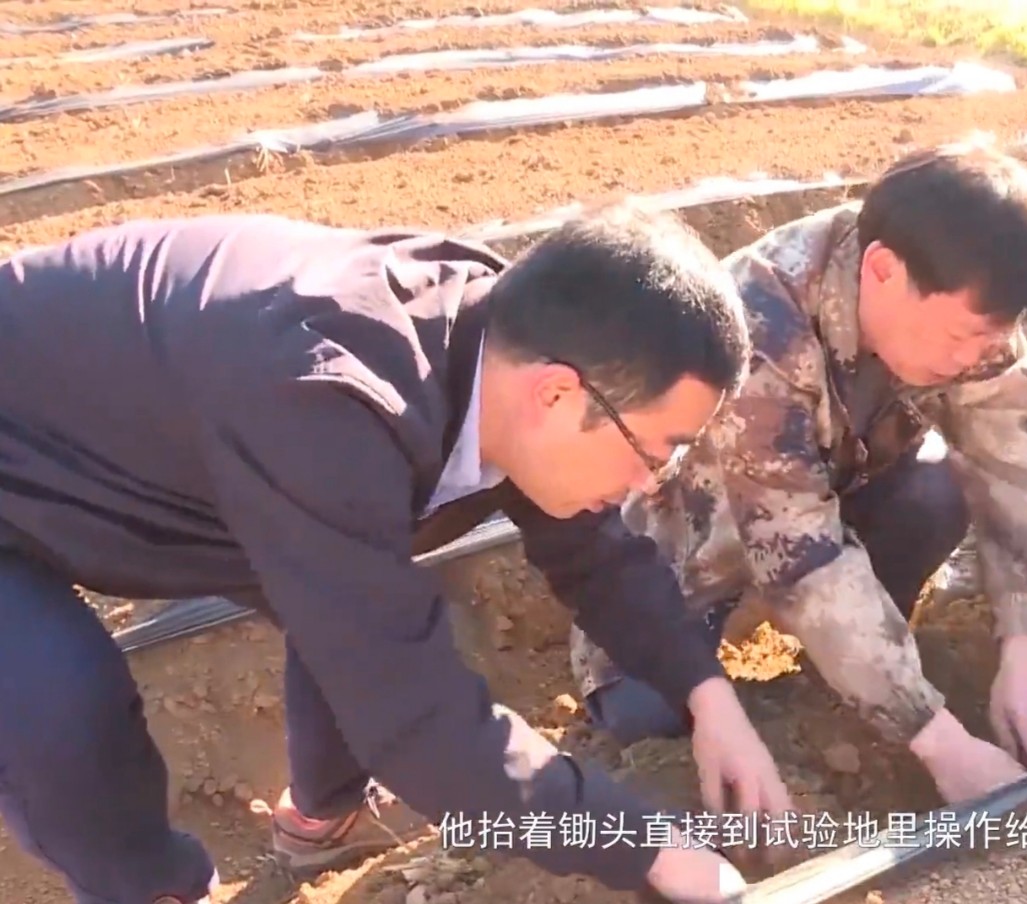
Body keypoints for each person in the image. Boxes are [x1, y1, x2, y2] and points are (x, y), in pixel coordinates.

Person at [0, 209, 795, 904]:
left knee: (360, 599)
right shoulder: (329, 404)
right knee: (59, 707)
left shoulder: (500, 351)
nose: (650, 482)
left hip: (155, 456)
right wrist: (648, 847)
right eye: (653, 451)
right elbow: (417, 722)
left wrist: (706, 695)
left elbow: (597, 556)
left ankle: (324, 818)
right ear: (557, 394)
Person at [567, 141, 1027, 804]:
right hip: (694, 551)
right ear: (884, 271)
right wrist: (940, 740)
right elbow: (802, 558)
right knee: (647, 712)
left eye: (988, 340)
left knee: (937, 489)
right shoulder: (758, 328)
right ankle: (863, 675)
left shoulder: (964, 304)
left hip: (830, 504)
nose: (970, 359)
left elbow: (1010, 466)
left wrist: (1026, 653)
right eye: (960, 338)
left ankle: (858, 665)